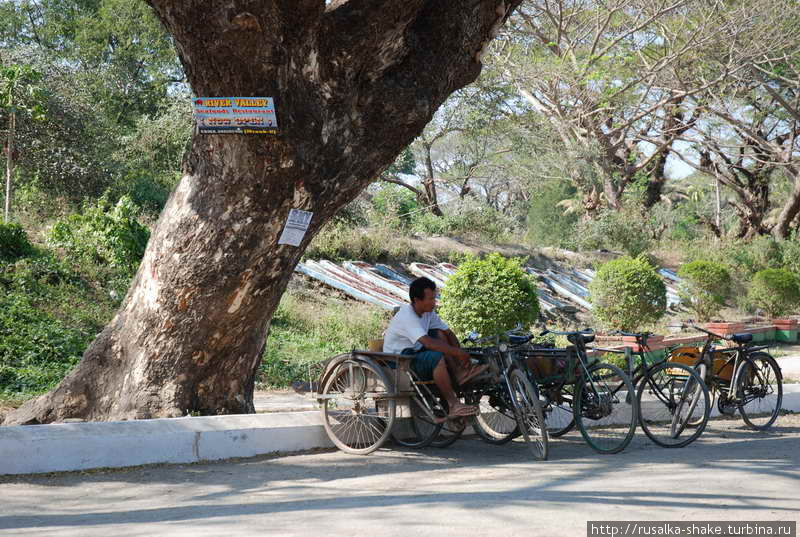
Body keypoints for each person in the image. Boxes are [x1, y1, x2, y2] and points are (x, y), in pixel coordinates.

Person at [383, 276, 487, 417]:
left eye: (434, 298)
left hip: (416, 352)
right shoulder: (407, 316)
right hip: (400, 360)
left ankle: (458, 372)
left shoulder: (428, 313)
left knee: (440, 334)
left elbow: (448, 332)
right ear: (417, 300)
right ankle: (453, 404)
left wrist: (460, 354)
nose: (434, 302)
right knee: (436, 356)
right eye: (430, 299)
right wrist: (459, 353)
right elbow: (428, 343)